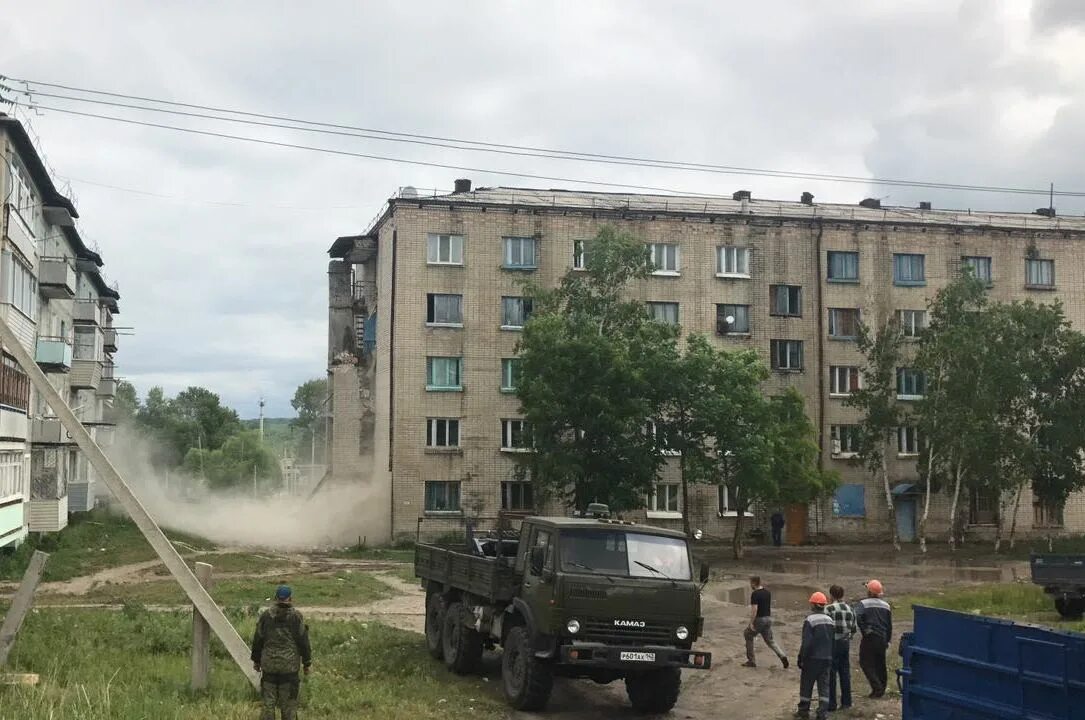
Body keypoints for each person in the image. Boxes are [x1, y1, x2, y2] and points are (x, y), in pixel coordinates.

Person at [251, 585, 312, 720]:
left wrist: (256, 661)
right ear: (290, 598)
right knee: (288, 706)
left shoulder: (266, 616)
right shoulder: (296, 617)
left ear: (275, 598)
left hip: (269, 666)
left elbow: (258, 639)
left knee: (268, 704)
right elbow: (303, 642)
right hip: (289, 669)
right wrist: (307, 663)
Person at [796, 592, 834, 720]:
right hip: (827, 657)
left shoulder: (810, 620)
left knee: (807, 684)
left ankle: (803, 711)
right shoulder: (830, 620)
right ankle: (822, 713)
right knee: (824, 686)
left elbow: (806, 642)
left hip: (812, 658)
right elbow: (832, 640)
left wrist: (801, 657)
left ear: (813, 604)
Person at [855, 579, 892, 699]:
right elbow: (889, 625)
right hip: (882, 637)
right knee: (880, 663)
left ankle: (877, 688)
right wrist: (887, 640)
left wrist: (865, 630)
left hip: (870, 637)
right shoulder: (886, 606)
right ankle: (881, 687)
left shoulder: (864, 603)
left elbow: (858, 616)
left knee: (865, 662)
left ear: (869, 592)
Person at [742, 575, 789, 668]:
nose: (750, 585)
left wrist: (751, 622)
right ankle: (782, 655)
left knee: (748, 634)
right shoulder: (767, 592)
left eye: (751, 583)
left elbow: (754, 609)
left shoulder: (755, 594)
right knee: (770, 640)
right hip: (768, 619)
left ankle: (751, 661)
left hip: (759, 619)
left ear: (754, 583)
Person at [825, 584, 858, 711]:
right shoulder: (850, 609)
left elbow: (826, 627)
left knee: (831, 673)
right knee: (845, 672)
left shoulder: (829, 609)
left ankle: (831, 703)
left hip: (833, 642)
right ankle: (846, 702)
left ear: (831, 595)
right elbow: (854, 628)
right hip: (845, 643)